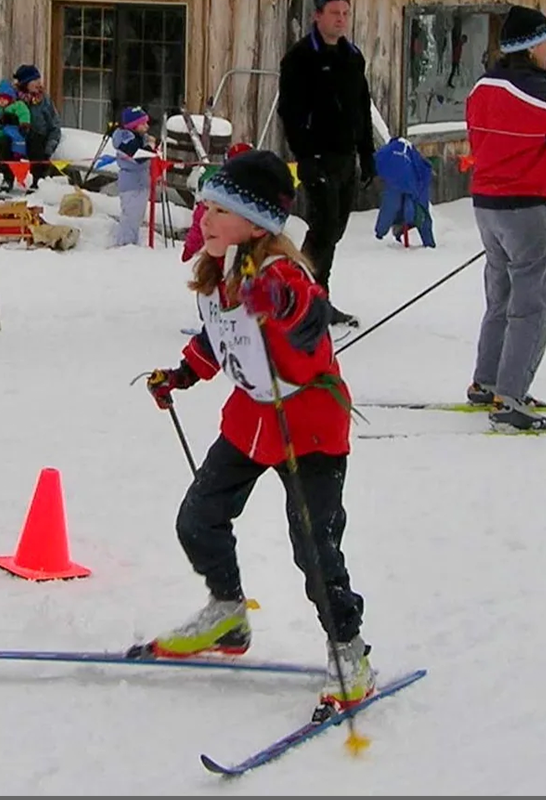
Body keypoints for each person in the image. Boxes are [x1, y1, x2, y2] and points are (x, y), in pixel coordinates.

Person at [143, 149, 373, 714]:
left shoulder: (280, 273)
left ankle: (350, 652)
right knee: (198, 518)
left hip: (308, 426)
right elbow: (220, 335)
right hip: (252, 418)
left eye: (218, 209)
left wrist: (280, 303)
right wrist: (182, 374)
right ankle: (227, 615)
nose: (205, 217)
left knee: (314, 549)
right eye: (203, 205)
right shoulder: (220, 267)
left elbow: (306, 317)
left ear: (256, 222)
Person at [464, 5, 546, 430]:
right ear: (532, 46)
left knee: (501, 297)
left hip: (488, 205)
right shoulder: (530, 89)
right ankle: (511, 399)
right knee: (532, 303)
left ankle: (487, 382)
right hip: (527, 205)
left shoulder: (482, 87)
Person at [277, 0, 375, 328]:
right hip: (317, 158)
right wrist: (306, 156)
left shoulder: (352, 57)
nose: (341, 20)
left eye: (346, 14)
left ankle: (307, 294)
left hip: (347, 156)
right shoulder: (300, 58)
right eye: (335, 13)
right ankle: (311, 300)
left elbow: (362, 105)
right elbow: (290, 113)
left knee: (334, 231)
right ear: (317, 15)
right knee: (323, 229)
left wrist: (367, 154)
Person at [182, 142, 253, 263]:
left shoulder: (257, 195)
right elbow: (201, 219)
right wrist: (190, 247)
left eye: (221, 211)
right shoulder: (218, 188)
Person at [110, 106, 156, 246]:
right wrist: (150, 147)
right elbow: (138, 155)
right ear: (133, 125)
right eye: (143, 124)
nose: (147, 127)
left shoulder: (139, 137)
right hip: (131, 185)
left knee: (137, 217)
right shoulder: (125, 138)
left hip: (142, 182)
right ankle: (125, 245)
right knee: (130, 217)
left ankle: (132, 245)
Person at [12, 64, 62, 190]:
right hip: (18, 140)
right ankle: (7, 178)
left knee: (36, 139)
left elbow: (55, 126)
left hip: (38, 142)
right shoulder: (13, 100)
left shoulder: (44, 101)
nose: (39, 83)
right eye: (35, 80)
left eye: (39, 80)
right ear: (25, 83)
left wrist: (49, 148)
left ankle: (37, 181)